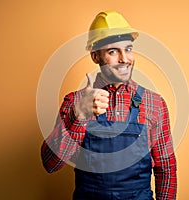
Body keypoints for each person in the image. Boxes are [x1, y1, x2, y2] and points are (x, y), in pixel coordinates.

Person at [41, 10, 177, 200]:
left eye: (128, 49)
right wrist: (78, 115)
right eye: (113, 51)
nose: (124, 59)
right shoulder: (74, 102)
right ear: (95, 56)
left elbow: (166, 167)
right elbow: (51, 164)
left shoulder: (154, 104)